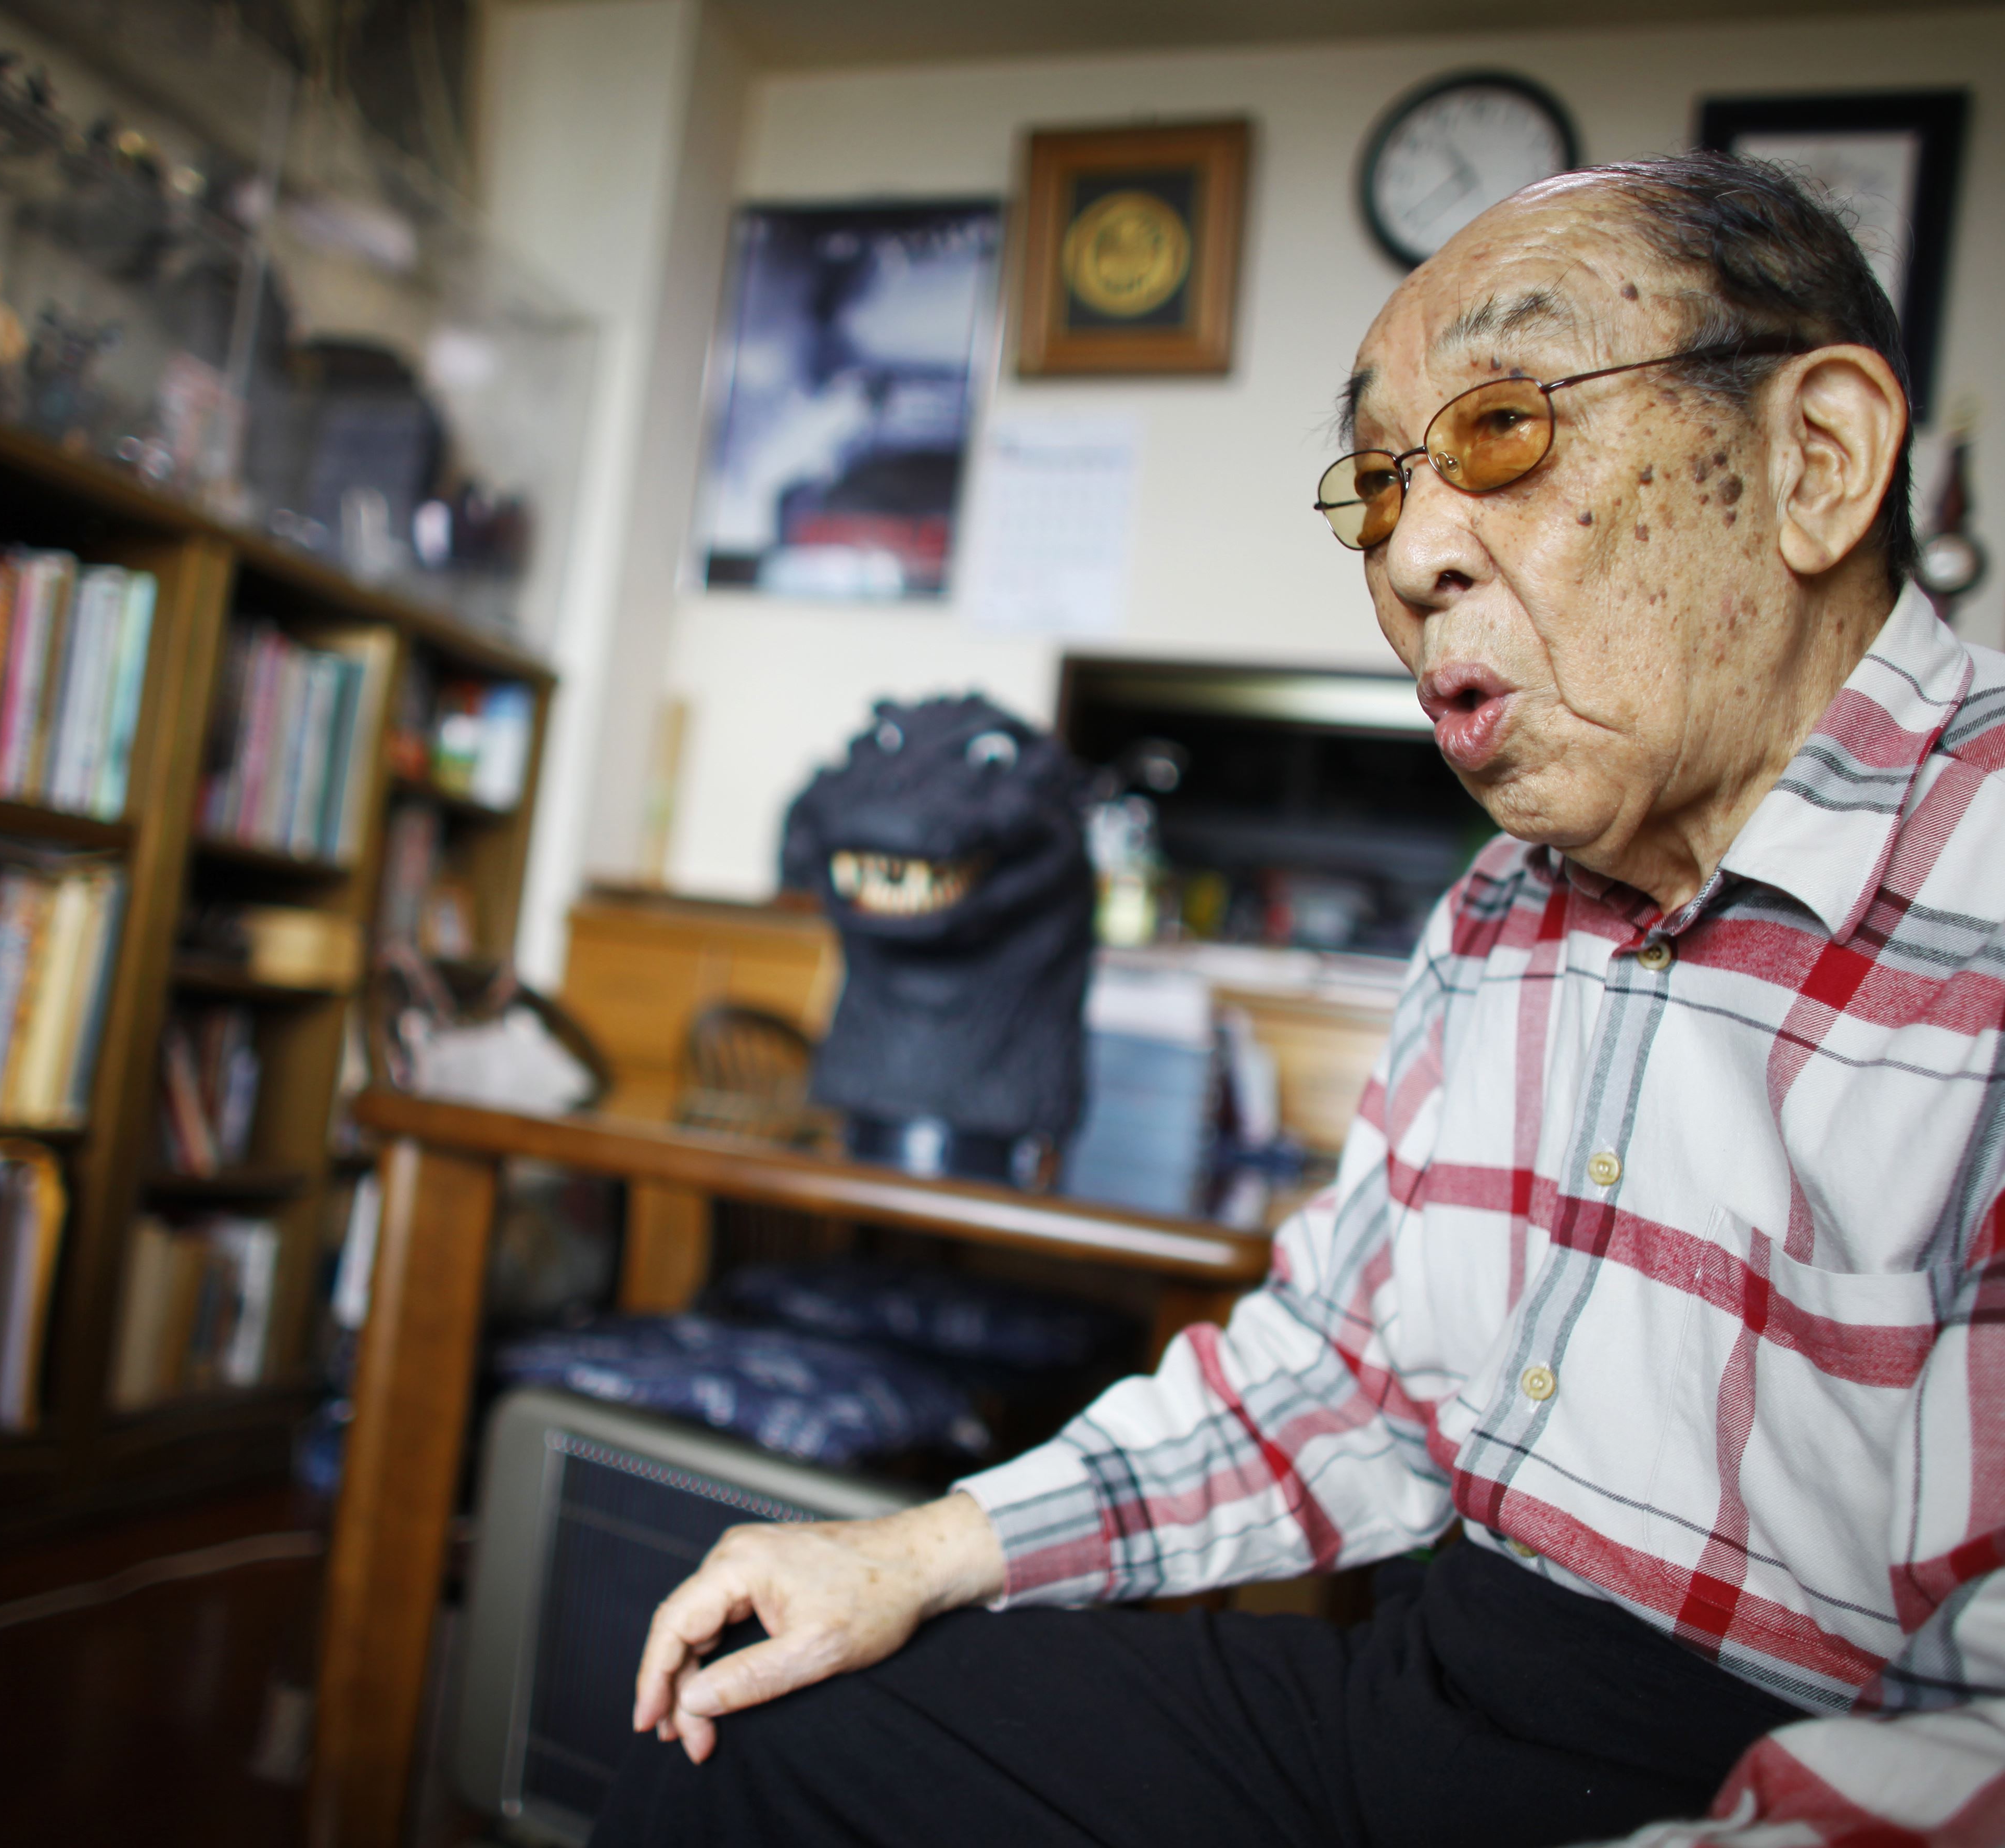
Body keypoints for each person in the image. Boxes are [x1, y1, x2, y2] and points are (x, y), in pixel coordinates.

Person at [599, 150, 2005, 1848]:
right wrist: (915, 1549)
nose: (1411, 549)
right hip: (1441, 1688)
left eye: (1501, 428)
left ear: (1819, 458)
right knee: (770, 1740)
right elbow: (1342, 1372)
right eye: (1378, 483)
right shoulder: (1499, 913)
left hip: (1811, 1765)